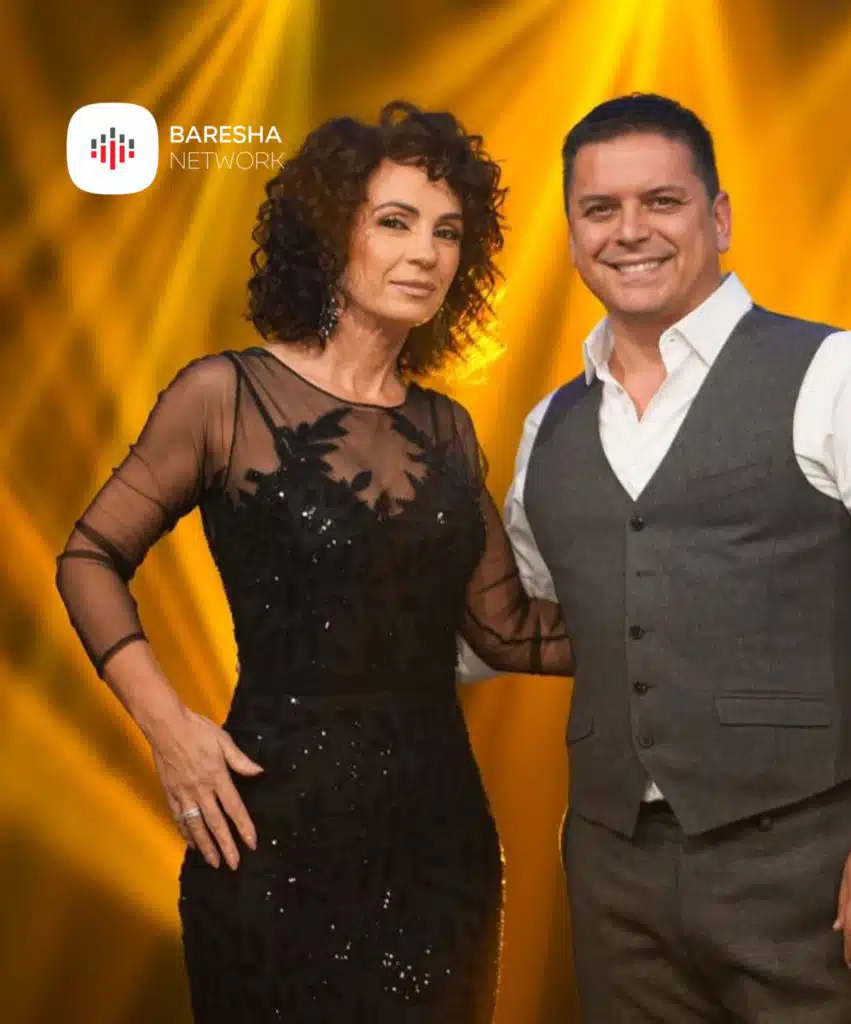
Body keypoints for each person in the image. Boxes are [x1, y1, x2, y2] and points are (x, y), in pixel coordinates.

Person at [55, 101, 573, 1023]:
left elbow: (508, 629)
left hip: (440, 850)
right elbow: (89, 556)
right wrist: (169, 729)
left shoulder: (448, 430)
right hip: (270, 835)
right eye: (396, 222)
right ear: (332, 233)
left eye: (448, 231)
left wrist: (684, 617)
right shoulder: (226, 395)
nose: (426, 253)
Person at [497, 94, 851, 1022]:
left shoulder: (844, 375)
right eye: (600, 209)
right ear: (571, 237)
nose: (629, 231)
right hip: (612, 870)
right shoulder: (548, 427)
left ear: (718, 217)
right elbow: (539, 615)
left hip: (809, 856)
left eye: (662, 201)